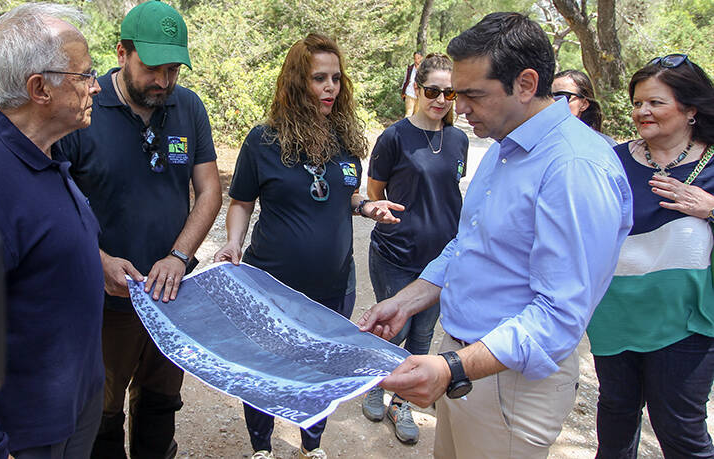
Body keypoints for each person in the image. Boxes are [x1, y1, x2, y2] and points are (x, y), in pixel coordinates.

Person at [358, 12, 633, 458]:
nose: (460, 107)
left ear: (525, 84)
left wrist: (451, 368)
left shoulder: (574, 167)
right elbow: (469, 244)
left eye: (472, 94)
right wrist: (405, 302)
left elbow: (558, 316)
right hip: (466, 364)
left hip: (510, 386)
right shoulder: (506, 148)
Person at [214, 33, 403, 459]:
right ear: (298, 83)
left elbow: (345, 195)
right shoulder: (263, 141)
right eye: (319, 78)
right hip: (271, 285)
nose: (330, 87)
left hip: (333, 286)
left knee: (321, 367)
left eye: (336, 78)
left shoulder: (344, 142)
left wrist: (366, 207)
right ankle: (262, 448)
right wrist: (232, 243)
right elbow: (241, 201)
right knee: (265, 366)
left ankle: (311, 447)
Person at [55, 1, 222, 457]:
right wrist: (98, 261)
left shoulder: (188, 107)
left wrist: (179, 256)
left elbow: (209, 191)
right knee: (101, 414)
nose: (164, 81)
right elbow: (52, 204)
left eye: (174, 70)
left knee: (161, 403)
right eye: (153, 68)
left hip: (171, 298)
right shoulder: (83, 110)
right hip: (106, 301)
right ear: (122, 53)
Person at [0, 4, 105, 457]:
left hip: (73, 410)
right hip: (25, 434)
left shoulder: (46, 151)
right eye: (85, 74)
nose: (96, 85)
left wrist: (100, 265)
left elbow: (40, 245)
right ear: (39, 89)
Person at [587, 54, 714, 458]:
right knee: (615, 420)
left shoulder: (712, 163)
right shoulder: (613, 160)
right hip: (615, 316)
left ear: (691, 109)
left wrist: (710, 207)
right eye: (638, 102)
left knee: (679, 428)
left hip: (688, 323)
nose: (642, 111)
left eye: (655, 102)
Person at [360, 53, 468, 445]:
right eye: (433, 91)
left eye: (449, 93)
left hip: (441, 261)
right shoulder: (394, 137)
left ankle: (400, 402)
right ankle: (377, 382)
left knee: (423, 335)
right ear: (417, 89)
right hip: (396, 254)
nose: (440, 99)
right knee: (395, 328)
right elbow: (375, 191)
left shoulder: (458, 139)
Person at [552, 69, 616, 146]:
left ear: (584, 104)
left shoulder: (604, 145)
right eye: (549, 96)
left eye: (562, 97)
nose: (554, 102)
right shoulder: (543, 141)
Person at [401, 52, 423, 117]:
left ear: (421, 58)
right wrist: (403, 92)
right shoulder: (410, 68)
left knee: (417, 115)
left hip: (419, 95)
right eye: (415, 58)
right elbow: (405, 80)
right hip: (410, 93)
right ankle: (406, 124)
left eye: (418, 58)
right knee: (408, 113)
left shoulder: (424, 69)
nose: (416, 60)